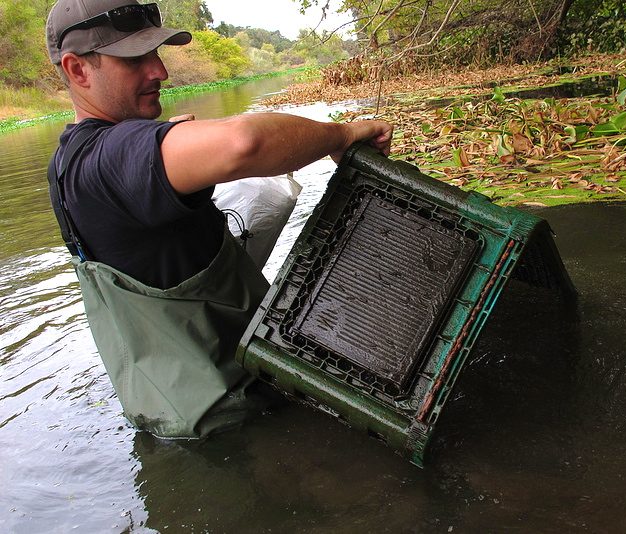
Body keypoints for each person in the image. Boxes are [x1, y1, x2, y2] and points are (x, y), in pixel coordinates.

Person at [45, 0, 393, 439]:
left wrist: (159, 142)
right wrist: (342, 134)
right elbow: (243, 143)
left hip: (177, 414)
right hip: (238, 416)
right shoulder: (111, 158)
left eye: (156, 53)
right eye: (135, 59)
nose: (160, 71)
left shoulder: (68, 164)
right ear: (78, 70)